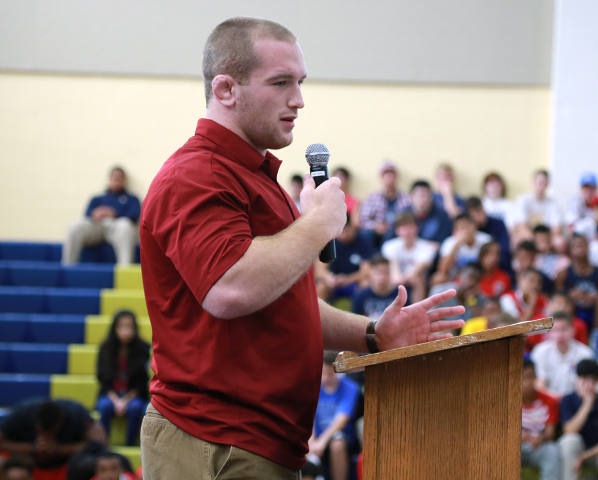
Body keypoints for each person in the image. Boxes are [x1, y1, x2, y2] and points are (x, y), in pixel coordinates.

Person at [138, 17, 465, 479]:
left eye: (301, 82)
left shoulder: (251, 176)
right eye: (281, 82)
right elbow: (230, 288)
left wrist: (374, 334)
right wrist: (320, 222)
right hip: (215, 441)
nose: (299, 99)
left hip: (252, 442)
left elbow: (286, 305)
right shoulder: (197, 175)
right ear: (226, 89)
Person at [62, 166, 141, 265]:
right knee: (74, 226)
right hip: (97, 227)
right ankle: (68, 267)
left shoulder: (132, 198)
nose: (116, 179)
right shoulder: (97, 198)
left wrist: (114, 213)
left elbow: (134, 215)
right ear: (109, 179)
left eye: (119, 177)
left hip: (117, 228)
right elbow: (87, 215)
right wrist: (96, 213)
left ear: (124, 180)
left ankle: (124, 270)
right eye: (113, 177)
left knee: (125, 225)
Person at [559, 358, 598, 480]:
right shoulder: (567, 400)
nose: (589, 385)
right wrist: (586, 405)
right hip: (574, 451)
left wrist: (584, 456)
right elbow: (569, 430)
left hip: (597, 453)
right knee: (570, 440)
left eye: (593, 381)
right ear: (576, 379)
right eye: (584, 380)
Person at [0, 399, 104, 471]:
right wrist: (32, 448)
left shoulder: (75, 412)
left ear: (60, 424)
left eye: (51, 434)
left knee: (99, 460)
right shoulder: (22, 413)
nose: (46, 439)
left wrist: (59, 449)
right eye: (42, 433)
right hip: (28, 462)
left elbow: (99, 443)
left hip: (67, 465)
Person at [95, 310, 150, 446]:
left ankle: (130, 445)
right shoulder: (105, 348)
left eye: (129, 326)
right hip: (110, 394)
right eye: (122, 326)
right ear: (115, 328)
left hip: (133, 395)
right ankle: (103, 445)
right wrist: (116, 400)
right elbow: (102, 378)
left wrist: (124, 401)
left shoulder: (143, 348)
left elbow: (142, 382)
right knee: (105, 406)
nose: (126, 330)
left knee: (136, 407)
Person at [309, 352, 360, 480]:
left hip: (341, 436)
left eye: (330, 374)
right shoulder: (313, 386)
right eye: (323, 374)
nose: (326, 378)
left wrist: (321, 442)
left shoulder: (350, 387)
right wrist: (312, 440)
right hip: (316, 435)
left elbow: (341, 420)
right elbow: (309, 415)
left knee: (337, 444)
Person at [556, 234, 598, 330]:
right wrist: (570, 295)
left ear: (588, 247)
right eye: (575, 246)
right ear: (570, 250)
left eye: (581, 245)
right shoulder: (563, 274)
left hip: (595, 311)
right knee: (565, 303)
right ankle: (571, 331)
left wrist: (596, 297)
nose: (579, 248)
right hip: (575, 310)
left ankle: (596, 336)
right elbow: (558, 298)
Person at [531, 312, 594, 396]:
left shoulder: (585, 353)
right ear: (549, 332)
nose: (559, 335)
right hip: (550, 400)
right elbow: (539, 385)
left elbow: (587, 385)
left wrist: (566, 402)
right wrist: (557, 399)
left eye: (564, 329)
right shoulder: (540, 352)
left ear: (573, 330)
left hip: (576, 400)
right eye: (555, 330)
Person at [315, 215, 376, 301]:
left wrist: (347, 279)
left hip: (355, 281)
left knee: (365, 284)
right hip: (334, 283)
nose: (343, 235)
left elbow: (366, 271)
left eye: (346, 230)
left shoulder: (363, 240)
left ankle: (360, 312)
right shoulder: (329, 241)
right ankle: (319, 313)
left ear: (352, 227)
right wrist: (329, 277)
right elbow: (320, 270)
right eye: (340, 231)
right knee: (321, 287)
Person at [381, 212, 437, 302]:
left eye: (410, 227)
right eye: (403, 227)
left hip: (415, 280)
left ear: (417, 228)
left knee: (418, 278)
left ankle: (417, 311)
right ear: (397, 230)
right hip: (395, 279)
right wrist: (398, 278)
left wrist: (402, 279)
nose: (407, 231)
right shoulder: (389, 246)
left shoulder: (427, 247)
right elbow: (393, 268)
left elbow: (417, 269)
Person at [521, 358, 561, 480]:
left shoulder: (550, 401)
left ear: (536, 377)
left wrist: (541, 438)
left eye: (529, 377)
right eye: (522, 377)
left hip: (539, 446)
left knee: (552, 450)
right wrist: (521, 437)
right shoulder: (508, 401)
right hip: (516, 446)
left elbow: (550, 433)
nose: (526, 382)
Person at [432, 213, 492, 285]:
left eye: (464, 227)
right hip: (456, 278)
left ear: (474, 226)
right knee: (437, 278)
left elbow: (490, 266)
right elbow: (443, 270)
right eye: (459, 228)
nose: (463, 231)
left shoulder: (486, 240)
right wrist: (456, 245)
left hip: (479, 277)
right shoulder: (450, 242)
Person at [359, 161, 411, 243]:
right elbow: (363, 220)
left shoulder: (406, 198)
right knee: (365, 234)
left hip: (398, 233)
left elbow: (410, 219)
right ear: (381, 177)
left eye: (391, 174)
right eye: (386, 174)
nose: (389, 177)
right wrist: (376, 226)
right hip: (376, 234)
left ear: (396, 177)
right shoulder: (372, 198)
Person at [465, 196, 512, 274]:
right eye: (473, 215)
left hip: (497, 264)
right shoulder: (470, 229)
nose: (477, 216)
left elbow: (504, 248)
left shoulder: (498, 224)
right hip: (476, 266)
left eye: (479, 211)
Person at [512, 169, 563, 240]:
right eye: (539, 182)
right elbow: (521, 226)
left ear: (547, 184)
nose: (541, 186)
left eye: (544, 183)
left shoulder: (554, 203)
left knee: (559, 242)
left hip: (547, 238)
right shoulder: (523, 200)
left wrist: (544, 240)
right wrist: (536, 240)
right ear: (532, 183)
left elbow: (556, 229)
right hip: (528, 236)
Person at [351, 254, 400, 319]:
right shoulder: (360, 296)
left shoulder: (399, 295)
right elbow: (356, 321)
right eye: (378, 273)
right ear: (371, 273)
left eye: (385, 272)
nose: (382, 277)